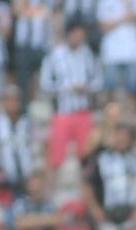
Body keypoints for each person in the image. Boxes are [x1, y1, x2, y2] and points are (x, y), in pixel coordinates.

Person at [41, 20, 101, 170]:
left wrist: (87, 88)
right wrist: (66, 88)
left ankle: (85, 185)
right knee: (57, 156)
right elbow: (45, 83)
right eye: (76, 35)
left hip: (83, 110)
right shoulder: (55, 56)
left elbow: (99, 81)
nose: (78, 39)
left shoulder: (88, 55)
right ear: (69, 34)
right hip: (63, 111)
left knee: (86, 154)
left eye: (81, 36)